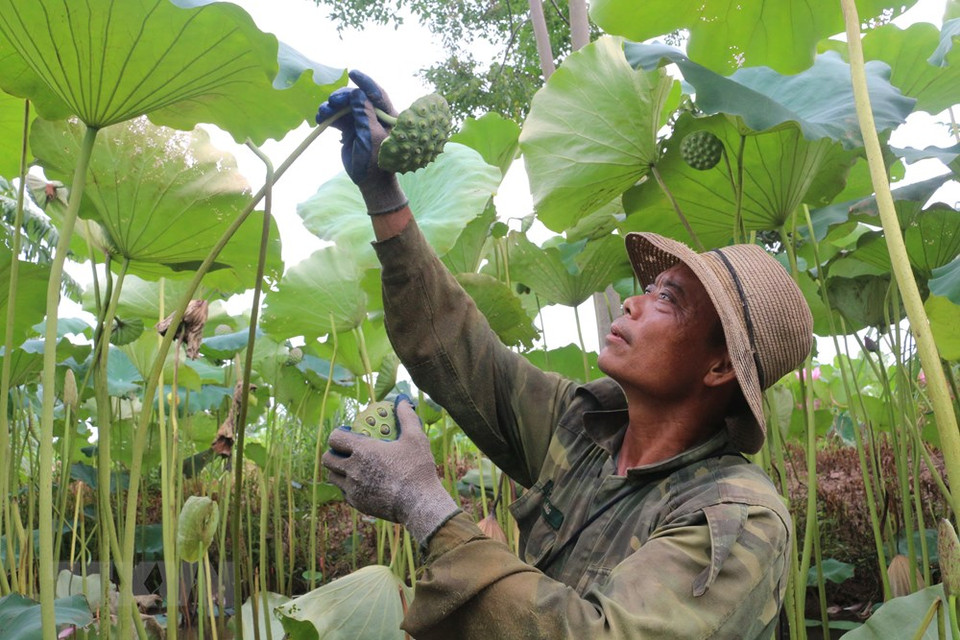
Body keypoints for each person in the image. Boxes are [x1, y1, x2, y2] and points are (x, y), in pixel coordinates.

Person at [320, 71, 814, 640]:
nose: (632, 303)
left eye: (667, 300)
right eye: (648, 288)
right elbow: (453, 348)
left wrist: (424, 505)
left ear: (720, 366)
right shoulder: (582, 425)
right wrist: (384, 194)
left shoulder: (736, 515)